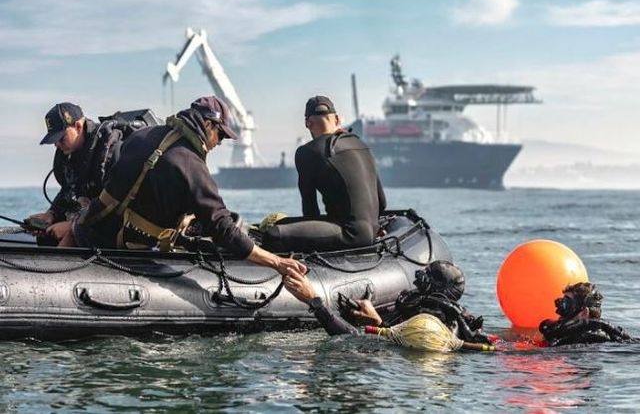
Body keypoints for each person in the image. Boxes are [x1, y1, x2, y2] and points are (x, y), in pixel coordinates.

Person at [61, 96, 306, 277]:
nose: (220, 143)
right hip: (123, 248)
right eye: (220, 135)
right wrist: (276, 262)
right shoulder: (192, 166)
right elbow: (223, 229)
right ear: (209, 125)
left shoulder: (139, 136)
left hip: (89, 232)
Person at [262, 95, 386, 252]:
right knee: (284, 224)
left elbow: (310, 210)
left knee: (272, 234)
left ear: (308, 123)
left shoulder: (306, 152)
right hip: (374, 232)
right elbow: (382, 203)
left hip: (349, 235)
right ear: (337, 119)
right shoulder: (362, 145)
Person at [284, 260, 490, 344]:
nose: (417, 280)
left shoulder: (433, 318)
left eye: (426, 277)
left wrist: (314, 300)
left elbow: (355, 338)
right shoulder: (417, 305)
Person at [28, 102, 142, 243]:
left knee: (73, 236)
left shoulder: (110, 151)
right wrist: (51, 214)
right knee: (46, 239)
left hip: (117, 223)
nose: (57, 144)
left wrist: (73, 227)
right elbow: (69, 189)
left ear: (78, 126)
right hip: (88, 217)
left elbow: (113, 205)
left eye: (61, 138)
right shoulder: (70, 154)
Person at [539, 282, 635, 346]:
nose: (559, 310)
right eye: (561, 303)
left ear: (584, 313)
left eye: (566, 305)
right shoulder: (562, 334)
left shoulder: (592, 338)